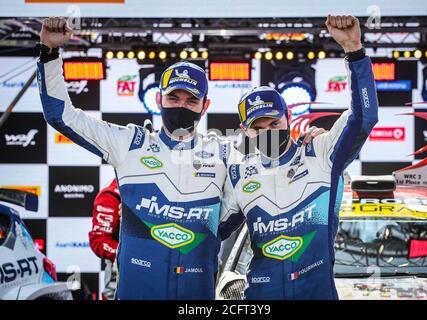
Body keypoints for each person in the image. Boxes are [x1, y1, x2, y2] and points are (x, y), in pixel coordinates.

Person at [37, 16, 325, 299]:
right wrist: (49, 53)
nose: (181, 107)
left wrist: (304, 151)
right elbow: (62, 116)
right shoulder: (130, 144)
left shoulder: (224, 155)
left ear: (204, 106)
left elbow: (272, 177)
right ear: (160, 99)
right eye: (174, 98)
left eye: (191, 101)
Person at [220, 15, 379, 299]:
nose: (267, 132)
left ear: (288, 117)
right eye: (258, 128)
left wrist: (354, 52)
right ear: (245, 130)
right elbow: (206, 231)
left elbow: (364, 117)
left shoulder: (321, 152)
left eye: (273, 123)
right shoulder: (239, 175)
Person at [88, 179, 121, 300]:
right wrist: (132, 255)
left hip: (158, 268)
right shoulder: (112, 194)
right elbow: (99, 241)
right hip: (121, 270)